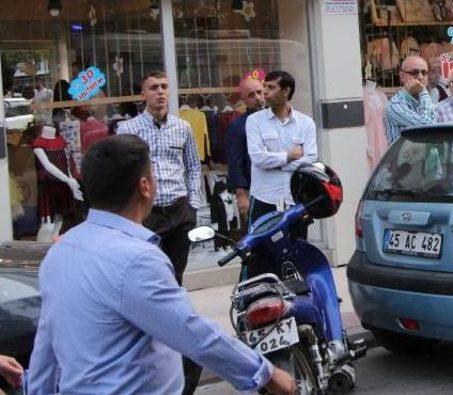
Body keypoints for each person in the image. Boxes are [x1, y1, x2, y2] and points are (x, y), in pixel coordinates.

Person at [27, 135, 296, 395]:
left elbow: (45, 348)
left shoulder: (61, 252)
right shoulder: (137, 259)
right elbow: (192, 334)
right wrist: (266, 373)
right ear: (145, 186)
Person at [117, 70, 202, 393]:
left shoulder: (182, 127)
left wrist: (193, 204)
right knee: (147, 277)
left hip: (179, 212)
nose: (160, 93)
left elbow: (194, 166)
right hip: (147, 214)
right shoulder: (128, 130)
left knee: (174, 279)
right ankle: (148, 338)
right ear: (143, 94)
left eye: (165, 87)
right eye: (153, 88)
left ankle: (171, 341)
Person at [246, 70, 318, 231]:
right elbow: (258, 158)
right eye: (264, 86)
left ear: (286, 91)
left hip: (294, 200)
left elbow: (311, 159)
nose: (264, 92)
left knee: (296, 250)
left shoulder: (305, 123)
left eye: (271, 87)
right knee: (260, 253)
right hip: (264, 198)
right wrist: (289, 156)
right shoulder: (254, 121)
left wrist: (278, 163)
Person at [227, 78, 266, 219]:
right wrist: (241, 194)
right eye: (251, 95)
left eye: (259, 92)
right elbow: (234, 161)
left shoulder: (275, 120)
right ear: (243, 98)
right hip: (253, 189)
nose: (257, 97)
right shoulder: (238, 126)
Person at [384, 55, 436, 144]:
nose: (420, 77)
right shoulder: (395, 105)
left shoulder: (427, 100)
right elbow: (428, 128)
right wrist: (423, 92)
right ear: (402, 76)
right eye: (414, 72)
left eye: (424, 73)